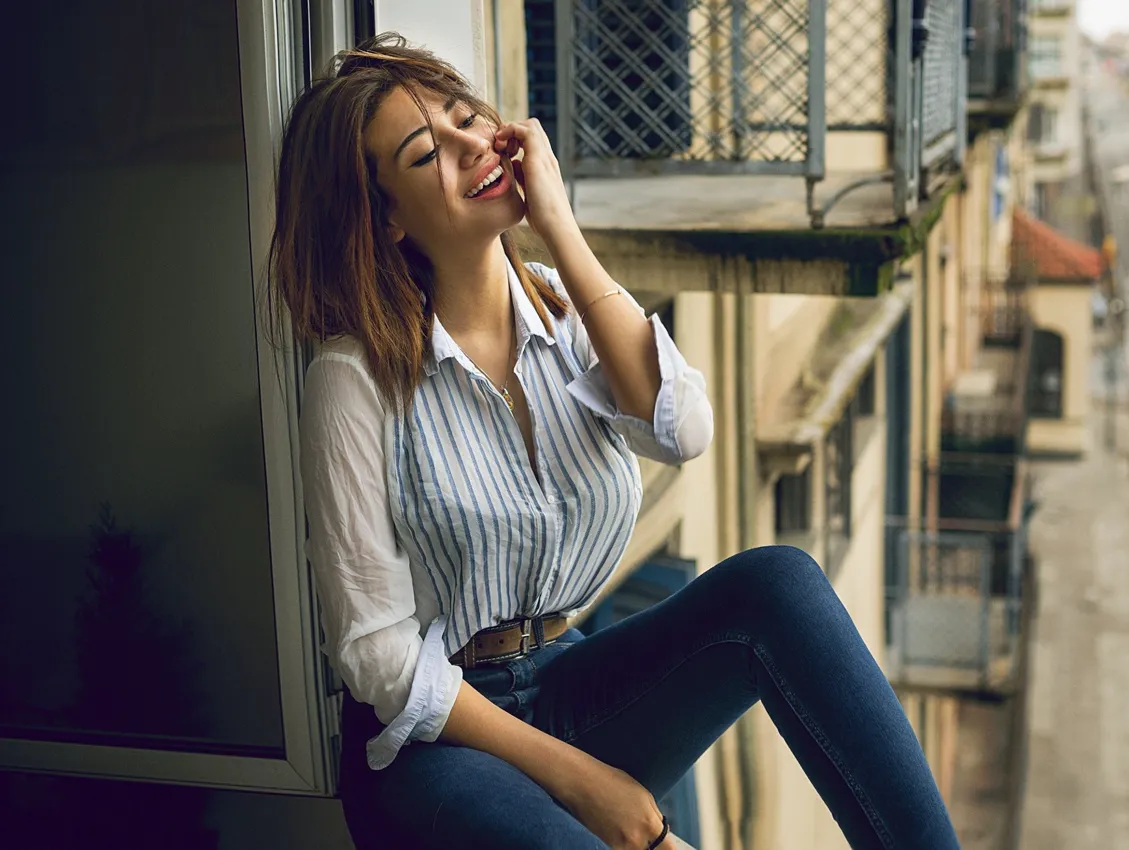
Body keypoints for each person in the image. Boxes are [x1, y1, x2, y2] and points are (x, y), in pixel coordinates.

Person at [268, 32, 960, 850]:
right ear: (384, 219)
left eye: (466, 119)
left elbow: (686, 430)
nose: (470, 147)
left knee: (779, 585)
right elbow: (379, 664)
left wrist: (560, 226)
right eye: (428, 155)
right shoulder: (354, 379)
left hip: (571, 679)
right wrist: (589, 783)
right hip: (435, 743)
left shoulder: (568, 312)